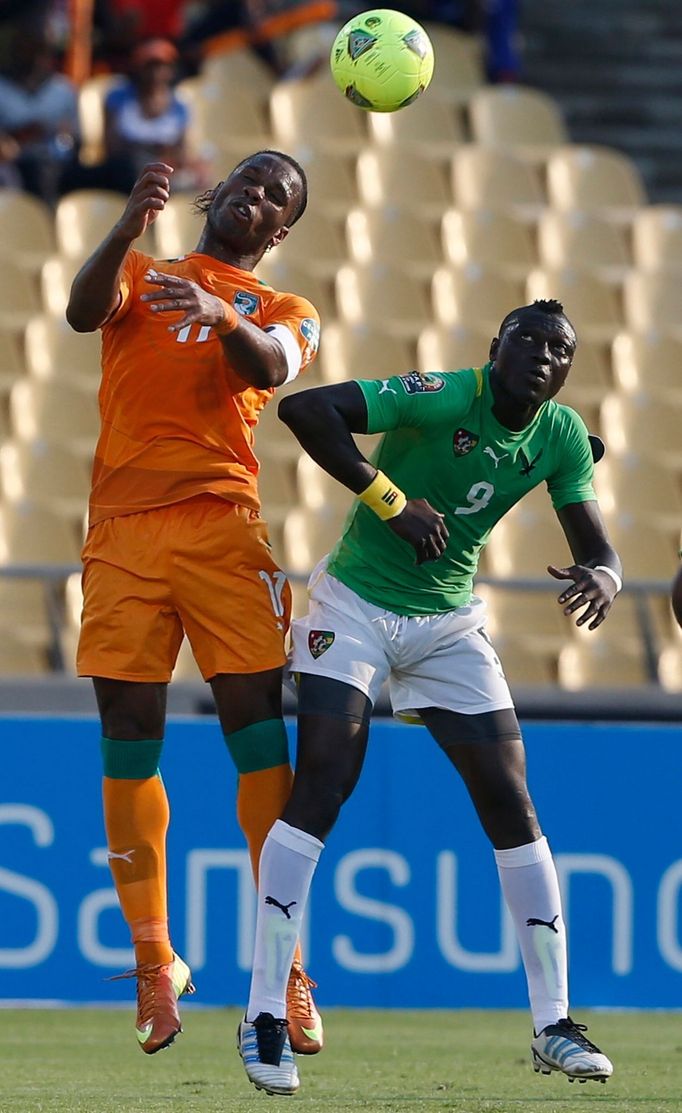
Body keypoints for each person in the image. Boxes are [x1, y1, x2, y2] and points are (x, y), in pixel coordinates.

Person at [238, 299, 621, 1095]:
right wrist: (389, 498)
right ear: (496, 349)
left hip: (447, 623)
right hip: (352, 608)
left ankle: (553, 1022)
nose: (544, 356)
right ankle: (264, 1014)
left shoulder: (558, 434)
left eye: (560, 349)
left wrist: (604, 574)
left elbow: (596, 541)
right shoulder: (446, 392)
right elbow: (309, 409)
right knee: (322, 788)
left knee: (511, 800)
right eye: (528, 342)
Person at [65, 151, 323, 1057]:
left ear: (281, 231)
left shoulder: (286, 308)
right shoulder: (141, 273)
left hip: (223, 529)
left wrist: (222, 315)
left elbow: (273, 370)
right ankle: (153, 958)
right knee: (129, 735)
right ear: (218, 195)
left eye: (275, 197)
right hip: (124, 531)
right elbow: (78, 311)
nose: (255, 197)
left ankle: (283, 966)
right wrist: (125, 230)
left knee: (257, 733)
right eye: (248, 182)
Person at [0, 21, 79, 203]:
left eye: (40, 50)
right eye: (27, 49)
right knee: (35, 172)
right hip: (16, 162)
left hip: (59, 162)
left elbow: (76, 140)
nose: (34, 57)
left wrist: (65, 134)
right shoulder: (2, 87)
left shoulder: (63, 89)